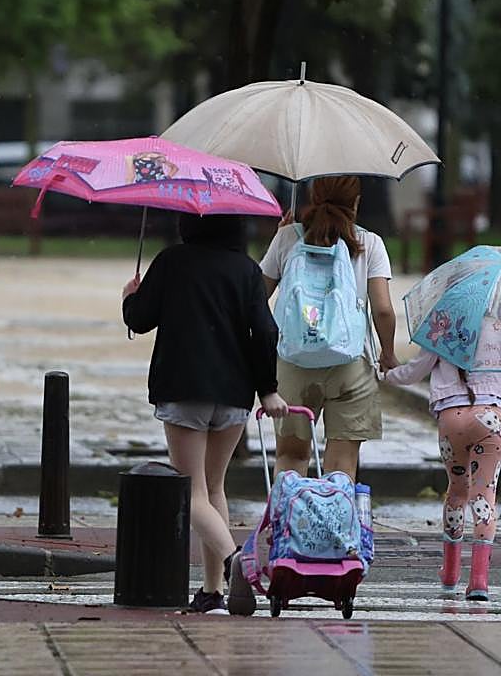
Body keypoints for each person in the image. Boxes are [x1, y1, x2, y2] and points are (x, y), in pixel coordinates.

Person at [123, 213, 288, 614]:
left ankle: (236, 562)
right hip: (234, 393)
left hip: (184, 387)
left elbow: (139, 320)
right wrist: (267, 388)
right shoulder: (247, 270)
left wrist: (130, 295)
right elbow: (265, 332)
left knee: (190, 489)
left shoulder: (172, 261)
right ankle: (214, 591)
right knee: (215, 488)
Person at [259, 176, 398, 481]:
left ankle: (288, 524)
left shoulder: (288, 237)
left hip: (293, 361)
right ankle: (334, 526)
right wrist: (388, 353)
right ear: (356, 203)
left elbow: (257, 295)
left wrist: (283, 237)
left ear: (314, 196)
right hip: (351, 364)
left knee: (290, 456)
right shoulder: (370, 243)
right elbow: (384, 309)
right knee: (341, 464)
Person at [385, 348, 501, 601]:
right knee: (484, 497)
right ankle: (479, 581)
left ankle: (451, 572)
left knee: (457, 491)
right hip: (489, 416)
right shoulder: (498, 328)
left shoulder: (438, 332)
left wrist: (387, 374)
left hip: (451, 419)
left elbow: (413, 372)